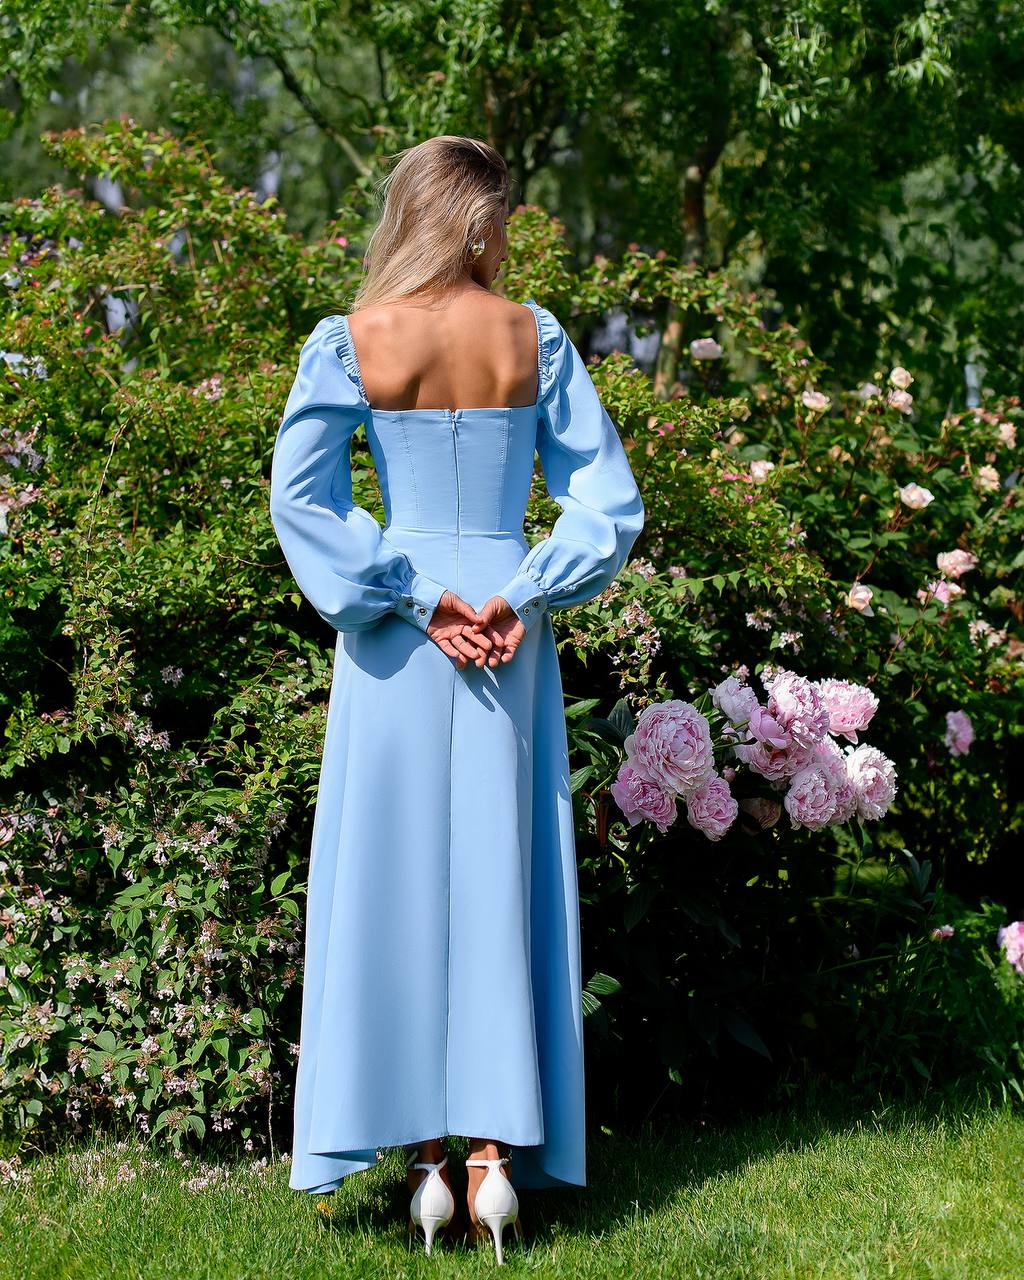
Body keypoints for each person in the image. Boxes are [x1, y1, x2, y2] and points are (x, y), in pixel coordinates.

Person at [269, 134, 645, 1263]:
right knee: (496, 876)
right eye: (504, 217)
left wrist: (412, 593)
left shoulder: (351, 340)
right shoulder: (537, 335)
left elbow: (306, 504)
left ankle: (426, 1158)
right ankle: (491, 1160)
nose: (509, 237)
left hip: (396, 636)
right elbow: (605, 502)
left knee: (391, 877)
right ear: (474, 217)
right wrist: (522, 592)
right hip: (506, 629)